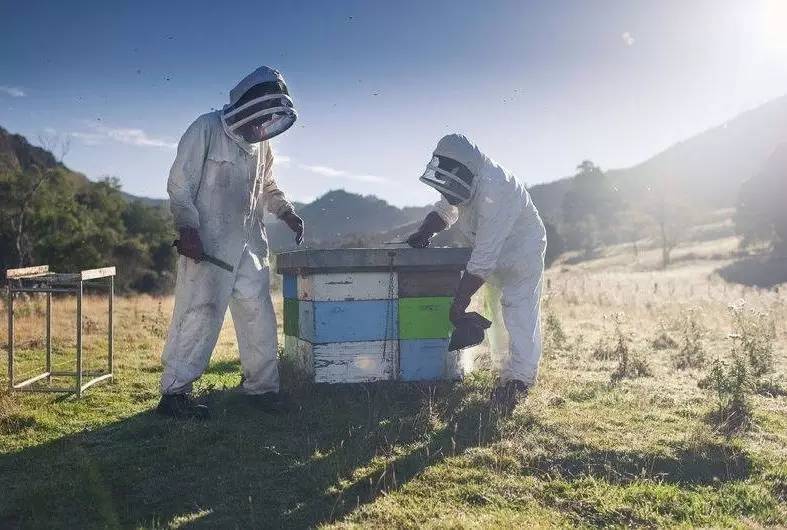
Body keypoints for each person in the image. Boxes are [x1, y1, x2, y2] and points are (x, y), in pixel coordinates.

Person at [157, 66, 304, 419]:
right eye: (263, 114)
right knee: (198, 316)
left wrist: (287, 212)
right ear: (249, 106)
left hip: (251, 246)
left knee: (259, 318)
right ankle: (174, 395)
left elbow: (268, 186)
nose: (265, 123)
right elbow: (179, 187)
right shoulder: (205, 129)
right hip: (207, 248)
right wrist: (188, 229)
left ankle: (262, 390)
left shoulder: (262, 144)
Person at [406, 134, 547, 412]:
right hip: (493, 253)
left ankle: (519, 381)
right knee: (495, 311)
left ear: (464, 168)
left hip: (522, 252)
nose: (447, 186)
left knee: (518, 310)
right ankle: (503, 370)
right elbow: (446, 208)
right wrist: (424, 231)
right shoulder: (463, 177)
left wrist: (459, 304)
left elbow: (482, 258)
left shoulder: (497, 187)